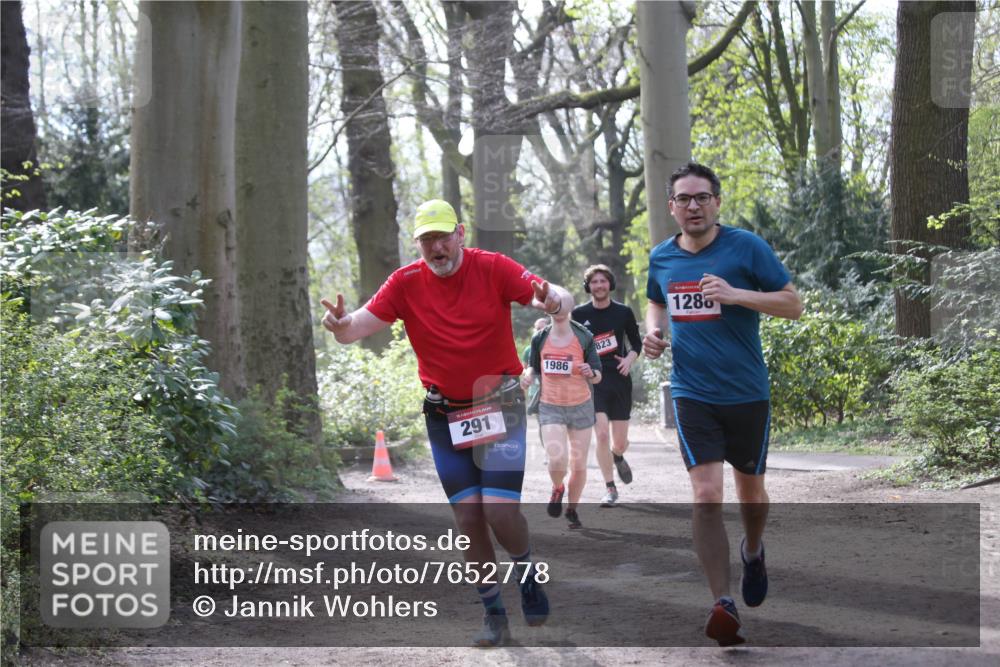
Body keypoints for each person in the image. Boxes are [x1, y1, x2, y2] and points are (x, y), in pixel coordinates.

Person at [321, 199, 560, 648]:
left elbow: (546, 294)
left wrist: (553, 299)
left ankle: (526, 572)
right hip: (445, 414)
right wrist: (338, 325)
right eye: (427, 240)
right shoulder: (405, 283)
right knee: (468, 516)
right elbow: (353, 329)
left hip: (500, 404)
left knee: (500, 511)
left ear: (460, 234)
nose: (436, 248)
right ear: (418, 244)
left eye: (443, 237)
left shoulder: (492, 267)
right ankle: (493, 613)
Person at [642, 163, 802, 646]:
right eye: (684, 199)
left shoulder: (746, 247)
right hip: (692, 393)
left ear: (717, 202)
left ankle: (753, 550)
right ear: (671, 207)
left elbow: (792, 304)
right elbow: (656, 299)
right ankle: (722, 603)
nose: (693, 206)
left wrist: (735, 294)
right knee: (707, 494)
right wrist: (654, 331)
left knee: (751, 495)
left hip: (747, 392)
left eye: (702, 197)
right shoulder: (662, 256)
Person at [522, 288, 601, 529]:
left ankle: (572, 509)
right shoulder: (540, 337)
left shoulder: (584, 336)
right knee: (557, 459)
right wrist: (527, 375)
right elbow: (533, 366)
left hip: (581, 405)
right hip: (550, 405)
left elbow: (598, 375)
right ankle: (557, 487)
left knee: (578, 464)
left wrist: (591, 372)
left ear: (569, 307)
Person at [571, 265, 642, 507]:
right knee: (601, 434)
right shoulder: (579, 314)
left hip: (619, 379)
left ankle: (618, 455)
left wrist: (629, 359)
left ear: (609, 284)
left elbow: (636, 343)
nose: (599, 285)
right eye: (594, 282)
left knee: (619, 442)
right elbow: (573, 346)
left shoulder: (623, 312)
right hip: (593, 382)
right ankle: (610, 488)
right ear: (588, 286)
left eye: (603, 281)